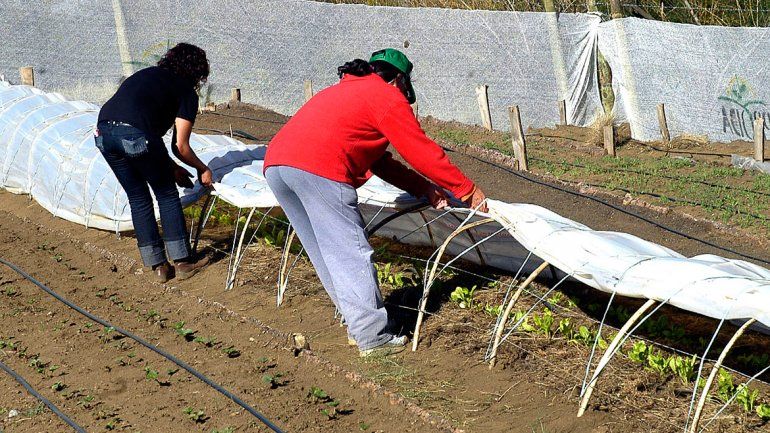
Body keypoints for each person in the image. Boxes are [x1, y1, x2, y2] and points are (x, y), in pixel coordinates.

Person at [264, 48, 487, 357]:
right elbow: (419, 149)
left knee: (327, 253)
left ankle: (357, 323)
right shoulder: (385, 95)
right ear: (399, 80)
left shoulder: (346, 90)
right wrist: (466, 188)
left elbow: (380, 163)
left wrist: (425, 188)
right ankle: (373, 336)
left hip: (278, 165)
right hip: (320, 167)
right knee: (349, 251)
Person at [95, 42, 212, 283]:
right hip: (136, 134)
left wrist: (171, 167)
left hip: (104, 133)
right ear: (197, 73)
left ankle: (159, 267)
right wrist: (203, 168)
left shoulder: (146, 75)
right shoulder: (185, 91)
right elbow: (180, 146)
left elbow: (138, 130)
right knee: (167, 194)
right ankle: (182, 263)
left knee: (138, 197)